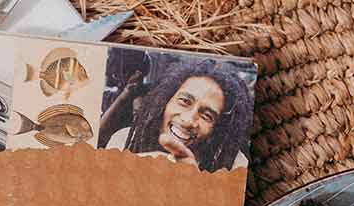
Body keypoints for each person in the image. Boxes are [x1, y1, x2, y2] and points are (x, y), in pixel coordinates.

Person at [101, 58, 251, 172]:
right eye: (184, 101)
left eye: (207, 116)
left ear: (216, 128)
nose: (188, 120)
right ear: (165, 101)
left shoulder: (234, 165)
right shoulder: (123, 141)